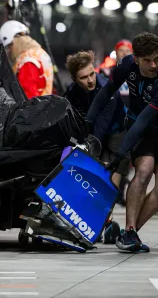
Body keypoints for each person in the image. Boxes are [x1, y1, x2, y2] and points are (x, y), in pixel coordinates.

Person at [86, 32, 158, 253]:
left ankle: (130, 232)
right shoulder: (126, 65)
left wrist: (119, 155)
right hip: (144, 130)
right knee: (145, 169)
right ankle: (129, 230)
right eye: (147, 60)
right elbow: (106, 93)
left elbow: (143, 121)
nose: (154, 64)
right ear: (136, 58)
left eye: (157, 58)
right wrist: (87, 121)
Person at [63, 50, 127, 244]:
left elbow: (101, 125)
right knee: (89, 175)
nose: (90, 80)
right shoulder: (71, 93)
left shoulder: (108, 88)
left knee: (109, 179)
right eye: (84, 77)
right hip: (91, 133)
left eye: (92, 74)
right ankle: (96, 220)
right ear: (75, 79)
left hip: (116, 131)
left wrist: (89, 152)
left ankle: (100, 220)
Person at [0, 20, 54, 99]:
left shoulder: (27, 62)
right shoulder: (38, 53)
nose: (9, 51)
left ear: (15, 40)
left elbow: (28, 98)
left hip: (35, 110)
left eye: (9, 46)